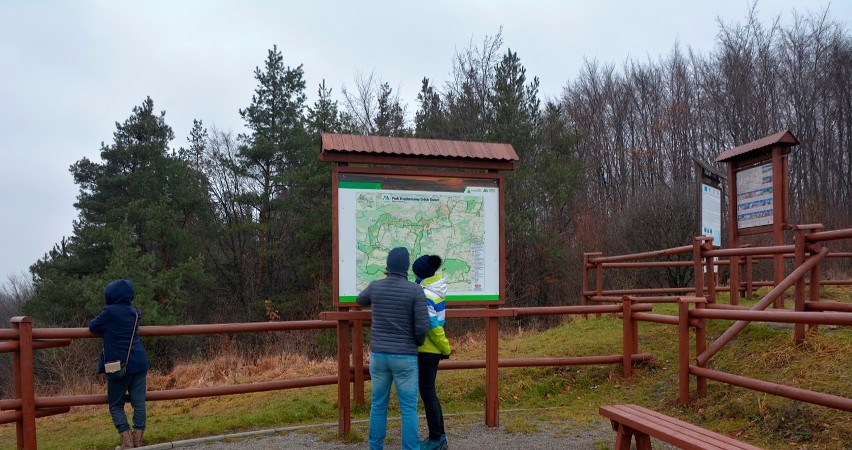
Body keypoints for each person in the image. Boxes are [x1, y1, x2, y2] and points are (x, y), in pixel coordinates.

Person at [357, 247, 430, 450]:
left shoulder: (375, 287)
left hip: (379, 356)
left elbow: (359, 300)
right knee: (408, 408)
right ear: (407, 268)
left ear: (388, 266)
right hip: (405, 356)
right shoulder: (415, 290)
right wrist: (415, 342)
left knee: (378, 405)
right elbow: (423, 327)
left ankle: (375, 447)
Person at [89, 279, 149, 449]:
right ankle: (138, 441)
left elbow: (93, 326)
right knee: (139, 403)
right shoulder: (135, 313)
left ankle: (127, 442)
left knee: (115, 404)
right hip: (139, 363)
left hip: (118, 367)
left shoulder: (109, 313)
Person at [412, 255, 452, 450]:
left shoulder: (426, 294)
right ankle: (439, 436)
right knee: (430, 394)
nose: (412, 274)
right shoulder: (436, 289)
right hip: (432, 350)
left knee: (428, 394)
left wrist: (445, 347)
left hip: (427, 350)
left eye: (414, 271)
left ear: (420, 273)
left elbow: (433, 325)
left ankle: (436, 439)